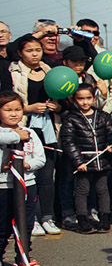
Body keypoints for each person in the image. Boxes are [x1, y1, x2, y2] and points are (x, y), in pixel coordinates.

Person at [8, 34, 61, 237]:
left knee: (47, 177)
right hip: (24, 127)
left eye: (38, 50)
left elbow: (63, 101)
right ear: (20, 53)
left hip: (48, 129)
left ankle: (47, 217)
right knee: (26, 176)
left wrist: (57, 106)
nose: (34, 54)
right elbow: (7, 102)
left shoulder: (50, 71)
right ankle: (30, 219)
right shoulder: (13, 72)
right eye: (29, 50)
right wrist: (27, 108)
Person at [1, 89, 45, 266]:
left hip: (28, 185)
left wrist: (27, 165)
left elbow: (40, 159)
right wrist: (16, 137)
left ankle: (24, 258)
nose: (13, 114)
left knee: (26, 225)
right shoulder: (5, 134)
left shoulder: (30, 133)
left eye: (18, 109)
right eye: (8, 109)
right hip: (4, 187)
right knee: (3, 228)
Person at [58, 83, 112, 233]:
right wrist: (78, 161)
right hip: (84, 162)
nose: (85, 102)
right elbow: (68, 142)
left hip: (101, 160)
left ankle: (105, 218)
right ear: (74, 100)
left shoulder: (103, 116)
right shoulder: (71, 118)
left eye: (88, 98)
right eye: (80, 99)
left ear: (94, 98)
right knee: (82, 190)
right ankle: (82, 219)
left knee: (102, 189)